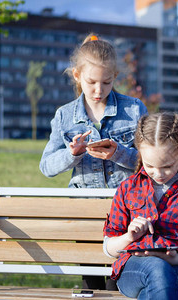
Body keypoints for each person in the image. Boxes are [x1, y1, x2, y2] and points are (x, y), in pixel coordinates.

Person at [39, 33, 147, 290]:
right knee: (90, 284)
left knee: (117, 284)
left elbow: (150, 163)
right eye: (91, 82)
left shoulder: (133, 109)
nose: (99, 91)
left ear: (115, 78)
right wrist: (72, 154)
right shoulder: (65, 115)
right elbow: (46, 167)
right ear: (77, 76)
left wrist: (118, 153)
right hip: (84, 212)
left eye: (106, 83)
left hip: (125, 212)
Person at [103, 112, 178, 300]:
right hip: (133, 269)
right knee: (158, 270)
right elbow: (109, 247)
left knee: (157, 283)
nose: (158, 174)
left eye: (167, 166)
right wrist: (129, 237)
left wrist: (176, 258)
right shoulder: (128, 188)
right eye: (150, 165)